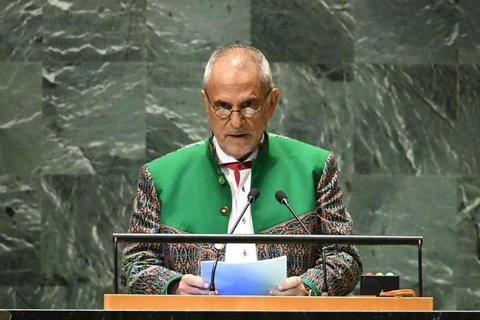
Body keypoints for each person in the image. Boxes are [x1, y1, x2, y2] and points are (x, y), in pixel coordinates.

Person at [121, 44, 362, 296]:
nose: (236, 122)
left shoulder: (315, 167)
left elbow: (344, 256)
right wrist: (173, 286)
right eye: (223, 106)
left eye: (249, 105)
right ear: (205, 104)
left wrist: (308, 287)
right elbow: (135, 263)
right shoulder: (160, 177)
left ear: (272, 103)